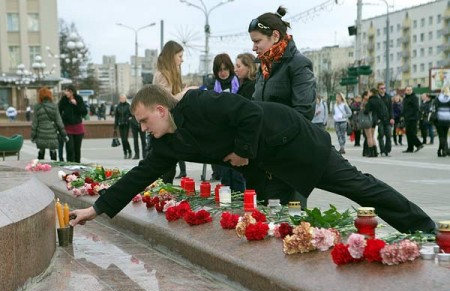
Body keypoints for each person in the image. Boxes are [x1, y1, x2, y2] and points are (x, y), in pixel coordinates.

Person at [69, 85, 436, 235]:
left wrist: (242, 152)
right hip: (266, 164)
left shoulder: (198, 103)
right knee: (272, 216)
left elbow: (248, 113)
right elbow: (141, 175)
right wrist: (96, 209)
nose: (144, 128)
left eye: (145, 120)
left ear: (161, 110)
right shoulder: (166, 145)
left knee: (357, 187)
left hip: (293, 142)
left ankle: (425, 229)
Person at [248, 6, 317, 207]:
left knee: (292, 220)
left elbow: (303, 113)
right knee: (268, 219)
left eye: (257, 41)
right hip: (267, 156)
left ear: (275, 36)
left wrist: (274, 139)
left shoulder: (299, 65)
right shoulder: (264, 66)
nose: (253, 47)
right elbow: (256, 107)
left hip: (291, 157)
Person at [153, 40, 197, 180]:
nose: (182, 60)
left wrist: (183, 91)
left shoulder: (171, 74)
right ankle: (162, 199)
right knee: (166, 170)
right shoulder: (162, 75)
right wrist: (185, 92)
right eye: (179, 56)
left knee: (169, 169)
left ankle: (164, 198)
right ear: (171, 56)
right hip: (164, 127)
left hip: (170, 125)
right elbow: (166, 101)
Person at [212, 53, 245, 192]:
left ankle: (241, 205)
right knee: (225, 174)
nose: (223, 72)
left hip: (237, 134)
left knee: (238, 174)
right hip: (221, 134)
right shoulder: (212, 85)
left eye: (225, 68)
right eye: (219, 69)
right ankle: (226, 208)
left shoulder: (239, 82)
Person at [31, 88, 67, 160]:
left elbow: (35, 123)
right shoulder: (54, 106)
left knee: (41, 150)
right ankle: (53, 167)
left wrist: (33, 136)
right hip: (52, 134)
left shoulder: (37, 107)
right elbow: (59, 122)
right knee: (53, 150)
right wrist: (64, 134)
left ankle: (40, 166)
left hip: (40, 134)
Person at [59, 85, 87, 163]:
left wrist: (76, 105)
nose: (66, 92)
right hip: (68, 128)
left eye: (67, 91)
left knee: (77, 149)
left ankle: (77, 164)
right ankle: (70, 165)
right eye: (65, 91)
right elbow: (58, 111)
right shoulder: (63, 100)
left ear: (72, 92)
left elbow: (84, 112)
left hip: (78, 128)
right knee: (70, 149)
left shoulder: (79, 99)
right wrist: (62, 121)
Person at [364, 88, 389, 157]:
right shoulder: (379, 100)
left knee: (369, 137)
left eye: (369, 92)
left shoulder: (371, 101)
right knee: (372, 136)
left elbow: (366, 111)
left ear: (372, 93)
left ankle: (371, 152)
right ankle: (375, 152)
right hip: (376, 120)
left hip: (369, 120)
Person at [402, 86, 424, 153]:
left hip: (412, 118)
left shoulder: (414, 98)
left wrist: (412, 115)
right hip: (407, 117)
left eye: (410, 90)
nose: (409, 91)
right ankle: (410, 148)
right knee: (408, 133)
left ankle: (419, 144)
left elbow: (416, 108)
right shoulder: (405, 98)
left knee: (410, 132)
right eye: (407, 90)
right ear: (405, 91)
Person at [377, 82, 393, 156]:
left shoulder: (388, 97)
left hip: (387, 119)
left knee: (389, 135)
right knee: (381, 135)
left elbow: (391, 108)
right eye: (381, 88)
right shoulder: (377, 97)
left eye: (384, 88)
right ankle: (382, 151)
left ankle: (387, 150)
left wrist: (392, 118)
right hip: (380, 119)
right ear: (378, 89)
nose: (383, 90)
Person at [114, 95, 132, 159]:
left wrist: (129, 118)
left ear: (125, 99)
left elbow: (131, 114)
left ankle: (129, 151)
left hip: (126, 124)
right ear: (119, 99)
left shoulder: (128, 106)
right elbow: (116, 117)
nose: (122, 99)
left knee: (125, 139)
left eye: (123, 98)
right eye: (121, 98)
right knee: (122, 140)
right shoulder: (118, 106)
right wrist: (115, 127)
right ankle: (125, 153)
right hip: (120, 124)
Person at [435, 86, 450, 157]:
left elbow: (435, 108)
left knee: (441, 136)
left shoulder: (437, 98)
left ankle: (442, 150)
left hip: (439, 118)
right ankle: (444, 150)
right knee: (445, 135)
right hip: (448, 118)